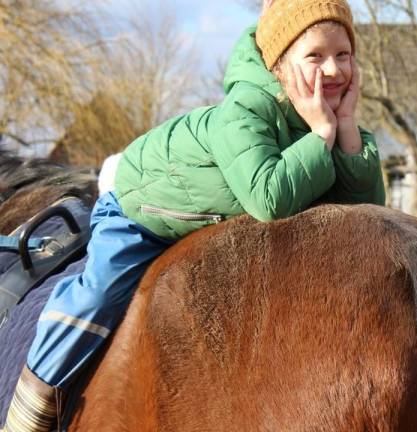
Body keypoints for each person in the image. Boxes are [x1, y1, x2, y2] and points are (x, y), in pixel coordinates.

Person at [2, 0, 384, 430]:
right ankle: (32, 396)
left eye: (343, 55)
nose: (333, 70)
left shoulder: (327, 120)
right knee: (98, 295)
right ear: (279, 64)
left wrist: (348, 130)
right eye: (314, 56)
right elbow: (269, 198)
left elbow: (365, 217)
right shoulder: (247, 110)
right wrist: (322, 136)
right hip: (140, 210)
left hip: (208, 221)